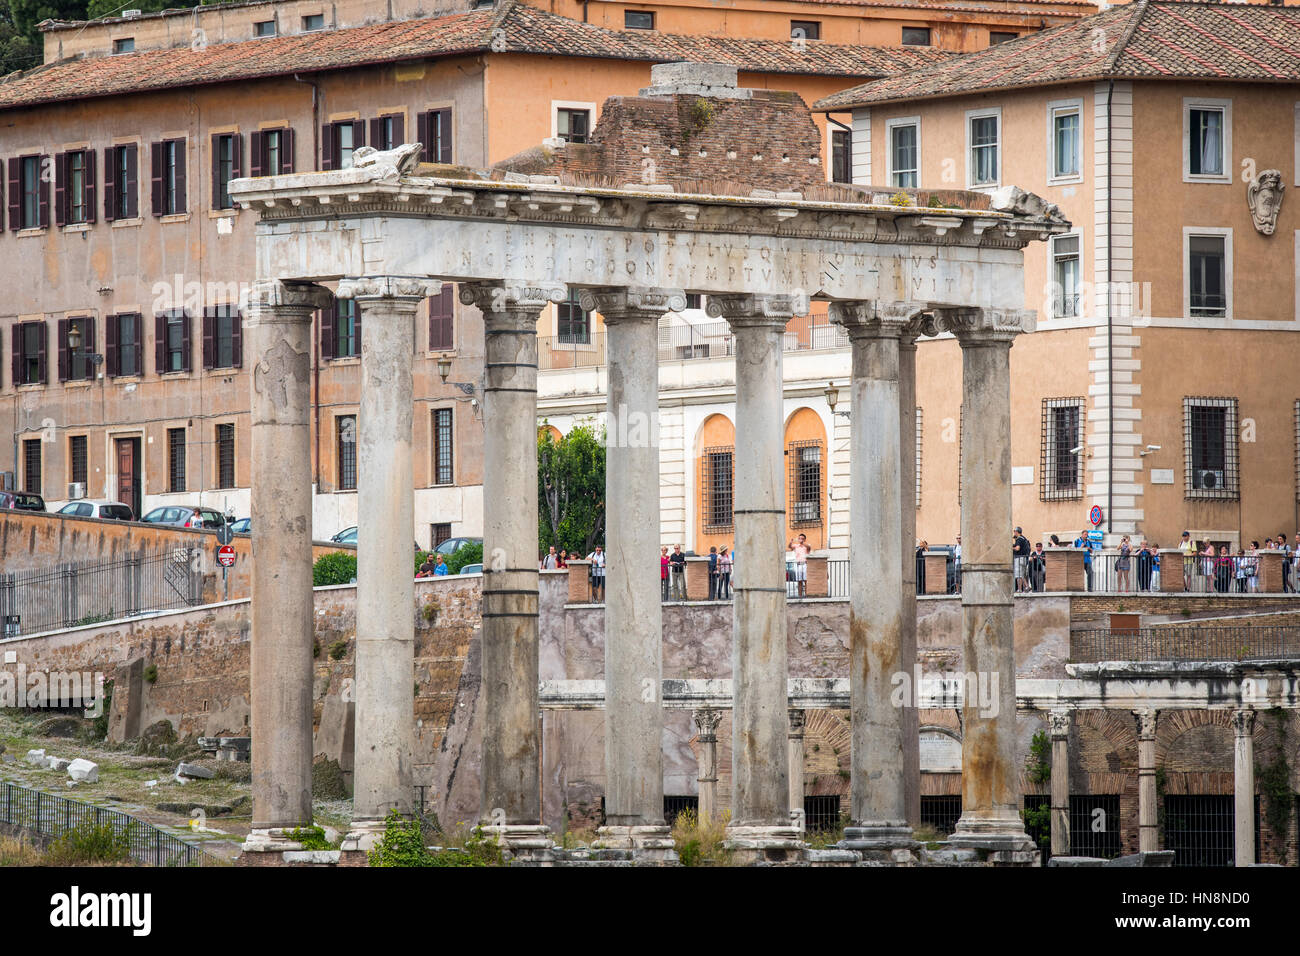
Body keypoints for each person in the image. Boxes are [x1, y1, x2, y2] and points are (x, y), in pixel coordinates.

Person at [788, 533, 810, 599]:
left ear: (804, 539)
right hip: (798, 564)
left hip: (805, 564)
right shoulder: (796, 546)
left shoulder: (806, 545)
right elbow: (789, 547)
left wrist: (802, 543)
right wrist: (791, 542)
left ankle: (806, 596)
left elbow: (809, 548)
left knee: (806, 581)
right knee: (799, 581)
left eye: (802, 538)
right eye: (799, 538)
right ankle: (800, 596)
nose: (800, 540)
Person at [1012, 527, 1030, 593]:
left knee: (1018, 574)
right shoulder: (1024, 538)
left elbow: (1017, 548)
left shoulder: (1019, 539)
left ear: (1017, 532)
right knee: (1021, 574)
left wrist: (1011, 547)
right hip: (1024, 558)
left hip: (1019, 558)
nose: (1014, 533)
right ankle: (1027, 586)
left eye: (1014, 531)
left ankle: (1019, 589)